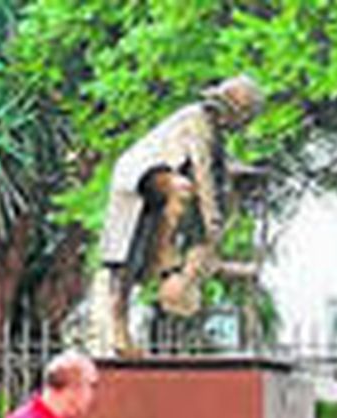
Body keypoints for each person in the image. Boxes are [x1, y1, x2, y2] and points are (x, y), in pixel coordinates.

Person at [96, 76, 265, 354]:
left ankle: (161, 266)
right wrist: (212, 219)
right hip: (140, 175)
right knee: (181, 191)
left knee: (177, 207)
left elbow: (218, 170)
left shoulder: (215, 135)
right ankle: (161, 261)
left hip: (161, 191)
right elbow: (202, 169)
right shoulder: (197, 120)